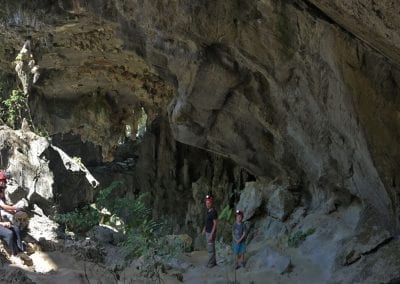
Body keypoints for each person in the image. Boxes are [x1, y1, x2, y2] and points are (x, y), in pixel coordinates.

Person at [0, 171, 27, 254]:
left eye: (5, 181)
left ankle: (21, 250)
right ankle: (15, 254)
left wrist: (13, 209)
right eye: (3, 181)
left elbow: (3, 206)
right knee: (10, 234)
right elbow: (3, 206)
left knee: (16, 229)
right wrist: (2, 224)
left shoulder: (2, 191)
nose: (5, 183)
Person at [202, 194, 217, 268]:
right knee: (210, 248)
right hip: (208, 231)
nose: (207, 204)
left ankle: (211, 264)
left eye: (208, 203)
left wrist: (212, 234)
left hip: (211, 232)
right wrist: (204, 229)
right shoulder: (208, 211)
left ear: (211, 203)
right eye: (206, 203)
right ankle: (213, 262)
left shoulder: (213, 211)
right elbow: (207, 222)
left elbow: (215, 224)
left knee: (211, 248)